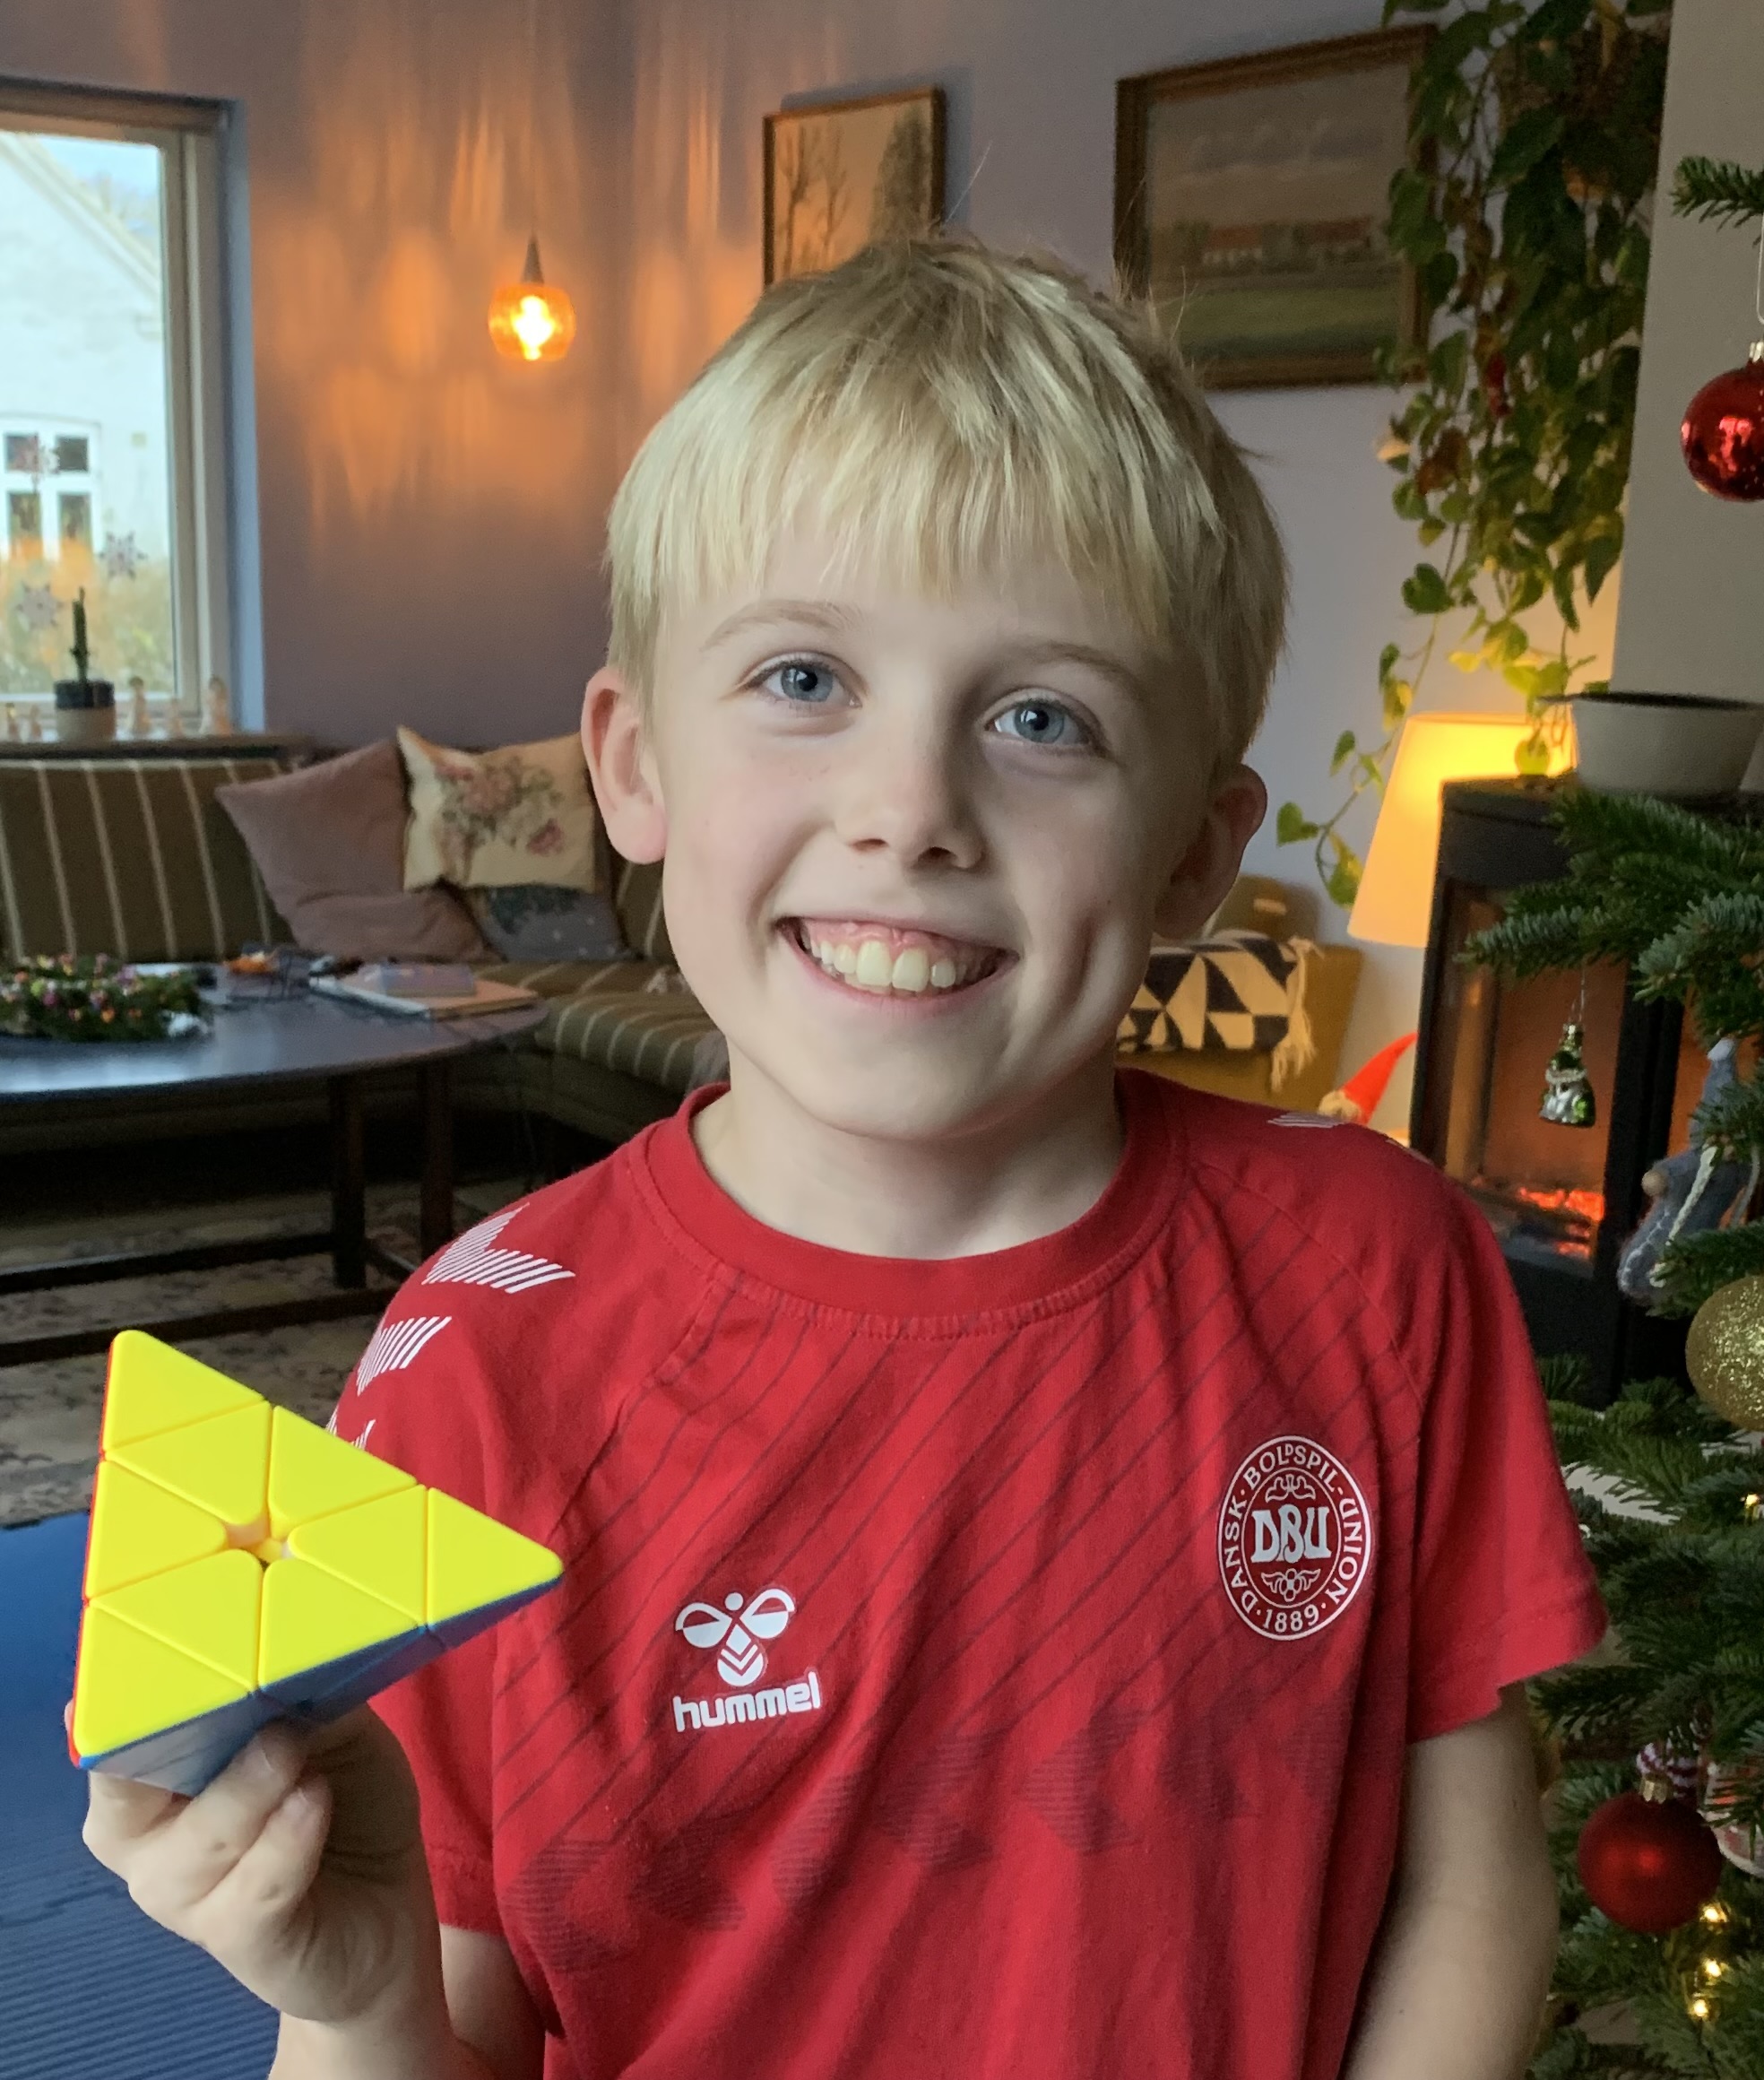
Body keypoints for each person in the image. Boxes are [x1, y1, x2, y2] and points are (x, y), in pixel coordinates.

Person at [81, 239, 1604, 2080]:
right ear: (633, 765)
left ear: (1194, 856)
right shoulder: (480, 1372)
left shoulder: (1376, 1264)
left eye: (1040, 719)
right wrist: (360, 1997)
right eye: (804, 676)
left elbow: (1471, 1878)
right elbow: (440, 2028)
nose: (910, 810)